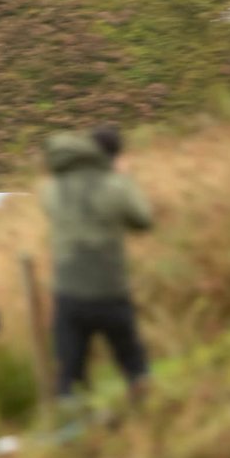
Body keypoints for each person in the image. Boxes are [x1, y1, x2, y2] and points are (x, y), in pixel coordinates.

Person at [40, 127, 153, 408]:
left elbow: (52, 209)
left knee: (69, 372)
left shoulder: (52, 189)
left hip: (68, 292)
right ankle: (145, 411)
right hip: (109, 288)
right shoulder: (113, 185)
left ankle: (74, 419)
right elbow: (143, 219)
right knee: (132, 361)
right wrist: (123, 178)